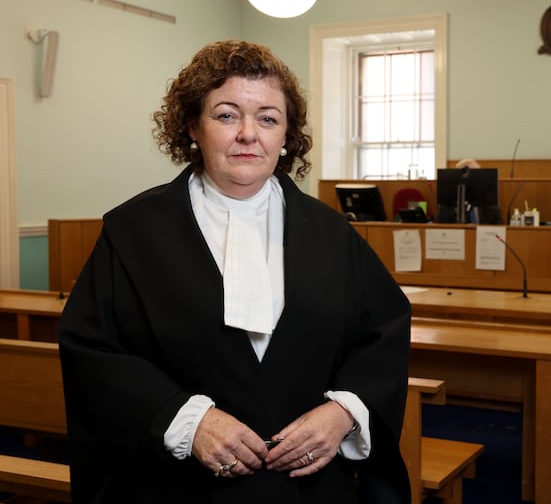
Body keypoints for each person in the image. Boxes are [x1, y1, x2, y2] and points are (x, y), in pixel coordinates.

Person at [58, 40, 412, 504]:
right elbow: (91, 350)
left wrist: (343, 412)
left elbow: (382, 336)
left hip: (310, 488)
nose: (248, 134)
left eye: (268, 118)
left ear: (286, 135)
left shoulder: (332, 232)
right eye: (226, 115)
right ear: (192, 126)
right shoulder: (133, 232)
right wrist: (185, 420)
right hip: (179, 489)